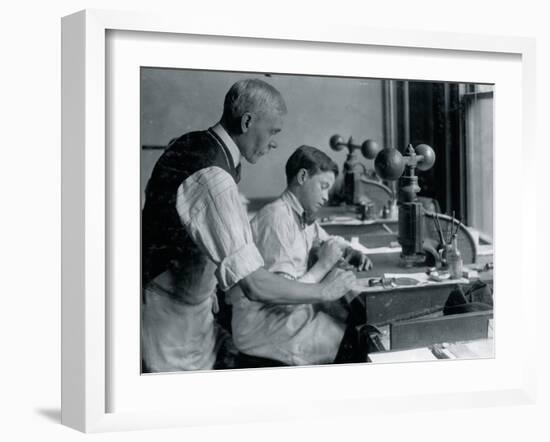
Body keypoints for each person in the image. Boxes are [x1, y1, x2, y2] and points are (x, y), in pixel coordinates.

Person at [141, 79, 356, 373]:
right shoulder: (213, 176)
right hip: (173, 319)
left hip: (193, 306)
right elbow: (255, 284)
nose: (274, 141)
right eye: (272, 131)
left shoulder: (197, 145)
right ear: (247, 122)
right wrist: (324, 291)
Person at [228, 145, 373, 366]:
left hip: (288, 316)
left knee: (353, 324)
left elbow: (326, 238)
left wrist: (350, 251)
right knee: (356, 339)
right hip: (266, 328)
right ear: (303, 176)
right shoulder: (276, 219)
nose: (325, 197)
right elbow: (282, 298)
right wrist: (323, 265)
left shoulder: (299, 215)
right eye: (323, 187)